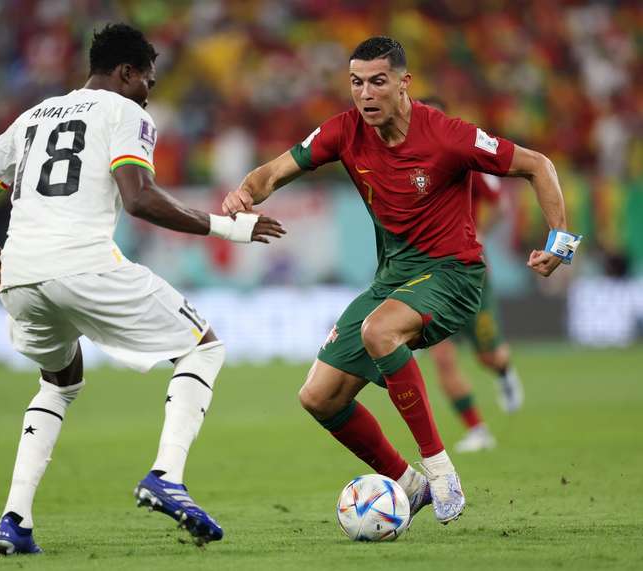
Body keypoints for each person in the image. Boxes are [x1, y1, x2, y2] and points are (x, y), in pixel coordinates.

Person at [0, 23, 284, 555]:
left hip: (20, 276)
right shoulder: (126, 112)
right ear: (126, 73)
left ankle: (14, 520)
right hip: (82, 264)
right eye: (147, 80)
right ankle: (166, 476)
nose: (149, 91)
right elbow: (139, 199)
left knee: (59, 381)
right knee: (203, 345)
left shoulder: (33, 116)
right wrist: (227, 227)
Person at [222, 36, 579, 525]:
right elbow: (276, 171)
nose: (365, 94)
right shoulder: (344, 132)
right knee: (318, 397)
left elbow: (538, 165)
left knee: (379, 331)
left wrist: (561, 243)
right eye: (356, 83)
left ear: (404, 83)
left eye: (377, 81)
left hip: (454, 274)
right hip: (393, 280)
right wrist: (244, 191)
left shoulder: (447, 134)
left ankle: (439, 468)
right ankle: (410, 486)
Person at [421, 96, 524, 454]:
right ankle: (478, 429)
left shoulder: (462, 157)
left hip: (469, 273)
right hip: (427, 278)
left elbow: (499, 204)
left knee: (488, 356)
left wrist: (476, 234)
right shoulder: (404, 162)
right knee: (443, 358)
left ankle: (503, 371)